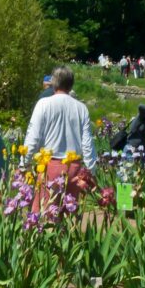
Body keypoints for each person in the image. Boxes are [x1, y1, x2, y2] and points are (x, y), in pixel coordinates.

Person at [25, 66, 96, 212]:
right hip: (74, 169)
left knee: (45, 214)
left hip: (49, 166)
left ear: (53, 83)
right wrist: (91, 171)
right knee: (69, 215)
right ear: (71, 84)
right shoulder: (81, 108)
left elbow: (33, 136)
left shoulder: (43, 104)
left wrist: (24, 163)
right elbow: (87, 143)